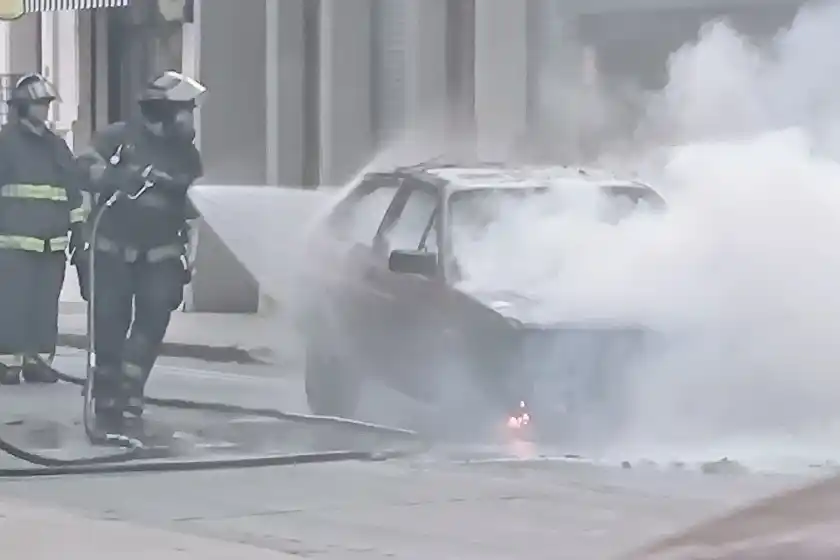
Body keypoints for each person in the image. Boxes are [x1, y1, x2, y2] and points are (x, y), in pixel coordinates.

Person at [74, 71, 206, 434]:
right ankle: (106, 394)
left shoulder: (185, 155)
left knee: (153, 320)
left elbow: (196, 204)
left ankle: (132, 389)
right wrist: (118, 177)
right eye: (186, 110)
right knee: (110, 322)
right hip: (112, 248)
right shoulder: (119, 138)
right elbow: (83, 166)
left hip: (161, 252)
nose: (190, 118)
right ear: (164, 110)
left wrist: (176, 188)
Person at [0, 74, 86, 385]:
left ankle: (38, 361)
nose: (45, 110)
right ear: (22, 107)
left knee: (44, 306)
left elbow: (74, 194)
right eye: (39, 104)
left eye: (47, 104)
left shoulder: (57, 146)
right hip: (12, 245)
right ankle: (7, 363)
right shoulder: (5, 142)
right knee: (12, 304)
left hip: (53, 246)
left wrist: (81, 236)